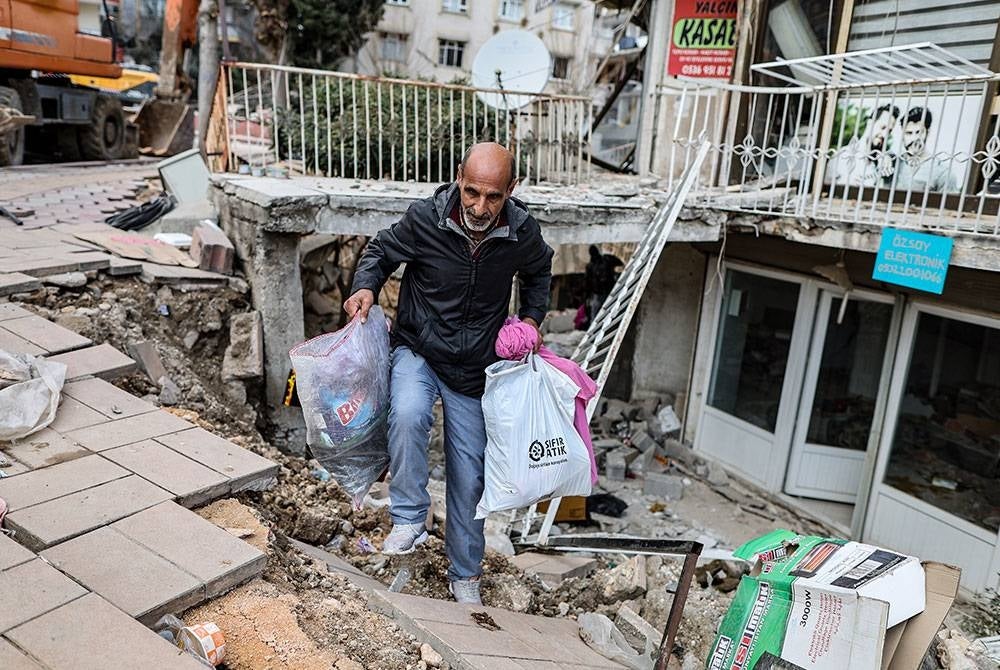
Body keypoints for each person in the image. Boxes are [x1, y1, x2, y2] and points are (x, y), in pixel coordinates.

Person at [343, 142, 553, 605]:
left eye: (493, 197)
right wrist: (365, 289)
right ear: (460, 177)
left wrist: (533, 320)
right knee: (409, 413)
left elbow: (540, 273)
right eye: (472, 192)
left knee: (471, 474)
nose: (479, 206)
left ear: (511, 191)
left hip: (476, 369)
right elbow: (380, 251)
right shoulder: (426, 218)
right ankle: (410, 518)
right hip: (418, 348)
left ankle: (464, 574)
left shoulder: (522, 232)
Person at [892, 106, 959, 193]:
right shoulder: (894, 163)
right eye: (908, 133)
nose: (914, 138)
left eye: (919, 132)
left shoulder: (942, 172)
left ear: (928, 132)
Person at [583, 244, 623, 322]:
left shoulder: (602, 261)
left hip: (605, 292)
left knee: (599, 314)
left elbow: (587, 282)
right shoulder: (595, 264)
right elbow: (588, 282)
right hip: (603, 292)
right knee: (600, 313)